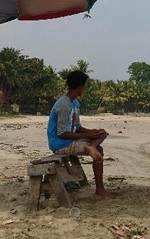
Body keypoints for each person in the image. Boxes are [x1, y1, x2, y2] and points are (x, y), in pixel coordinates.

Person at [47, 70, 112, 199]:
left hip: (70, 140)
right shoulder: (63, 105)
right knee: (99, 151)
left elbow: (77, 127)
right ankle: (99, 190)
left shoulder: (75, 103)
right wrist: (87, 136)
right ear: (80, 87)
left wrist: (91, 132)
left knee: (102, 133)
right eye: (84, 86)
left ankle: (91, 146)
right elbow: (62, 133)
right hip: (60, 144)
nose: (84, 89)